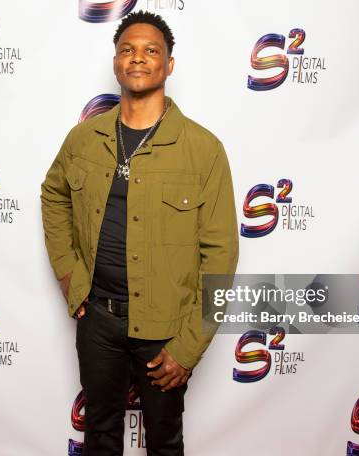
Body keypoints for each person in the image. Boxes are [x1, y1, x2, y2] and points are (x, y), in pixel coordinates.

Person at [41, 10, 238, 455]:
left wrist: (188, 348)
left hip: (166, 330)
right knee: (101, 436)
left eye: (152, 51)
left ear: (169, 65)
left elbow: (222, 257)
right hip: (98, 321)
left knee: (165, 444)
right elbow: (53, 196)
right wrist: (69, 275)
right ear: (115, 63)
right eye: (127, 50)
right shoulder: (84, 139)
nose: (138, 58)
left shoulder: (203, 150)